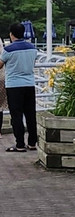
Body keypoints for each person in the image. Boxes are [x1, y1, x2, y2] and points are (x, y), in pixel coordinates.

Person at [0, 23, 39, 152]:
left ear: (11, 34)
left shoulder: (8, 50)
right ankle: (32, 143)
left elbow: (0, 64)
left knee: (16, 115)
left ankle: (20, 144)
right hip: (29, 84)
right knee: (30, 114)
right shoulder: (32, 48)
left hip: (13, 86)